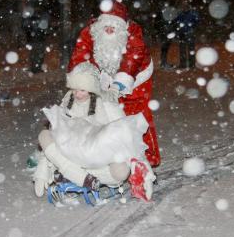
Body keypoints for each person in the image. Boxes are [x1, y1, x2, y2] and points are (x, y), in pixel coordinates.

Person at [33, 62, 156, 201]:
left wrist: (143, 168)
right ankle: (81, 177)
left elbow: (126, 135)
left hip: (96, 156)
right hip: (70, 152)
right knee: (44, 135)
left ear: (91, 89)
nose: (77, 94)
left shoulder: (105, 104)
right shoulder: (68, 101)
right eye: (74, 89)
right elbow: (55, 131)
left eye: (82, 90)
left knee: (121, 170)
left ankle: (75, 174)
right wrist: (42, 168)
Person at [68, 0, 161, 168]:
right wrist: (82, 80)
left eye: (114, 27)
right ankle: (107, 154)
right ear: (99, 24)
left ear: (122, 26)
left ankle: (147, 156)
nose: (109, 30)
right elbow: (80, 55)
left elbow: (134, 57)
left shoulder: (133, 34)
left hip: (137, 76)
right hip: (104, 75)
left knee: (136, 115)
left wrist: (120, 85)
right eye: (106, 26)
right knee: (101, 112)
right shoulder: (90, 33)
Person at [22, 4, 50, 73]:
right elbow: (26, 26)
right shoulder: (32, 17)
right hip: (35, 38)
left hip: (38, 38)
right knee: (35, 54)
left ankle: (36, 68)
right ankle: (35, 68)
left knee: (38, 54)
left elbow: (46, 27)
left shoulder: (43, 16)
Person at [174, 1, 199, 69]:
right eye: (183, 6)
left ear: (188, 7)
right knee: (182, 50)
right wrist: (178, 30)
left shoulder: (192, 14)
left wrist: (192, 28)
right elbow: (176, 22)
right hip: (182, 34)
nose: (184, 7)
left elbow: (197, 21)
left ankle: (192, 65)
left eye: (186, 6)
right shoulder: (180, 14)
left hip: (190, 34)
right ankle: (183, 65)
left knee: (191, 50)